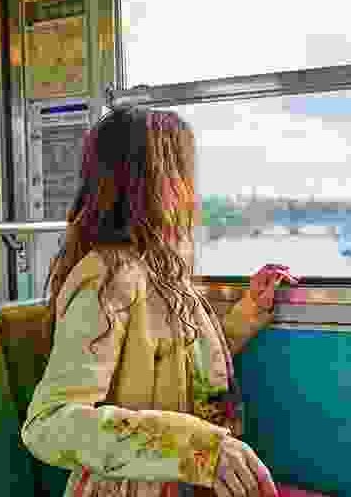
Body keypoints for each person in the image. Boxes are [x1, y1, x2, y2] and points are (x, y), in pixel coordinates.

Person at [21, 106, 299, 497]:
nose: (192, 192)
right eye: (183, 173)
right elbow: (48, 423)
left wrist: (251, 309)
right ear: (148, 183)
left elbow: (185, 361)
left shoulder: (163, 268)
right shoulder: (108, 279)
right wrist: (196, 449)